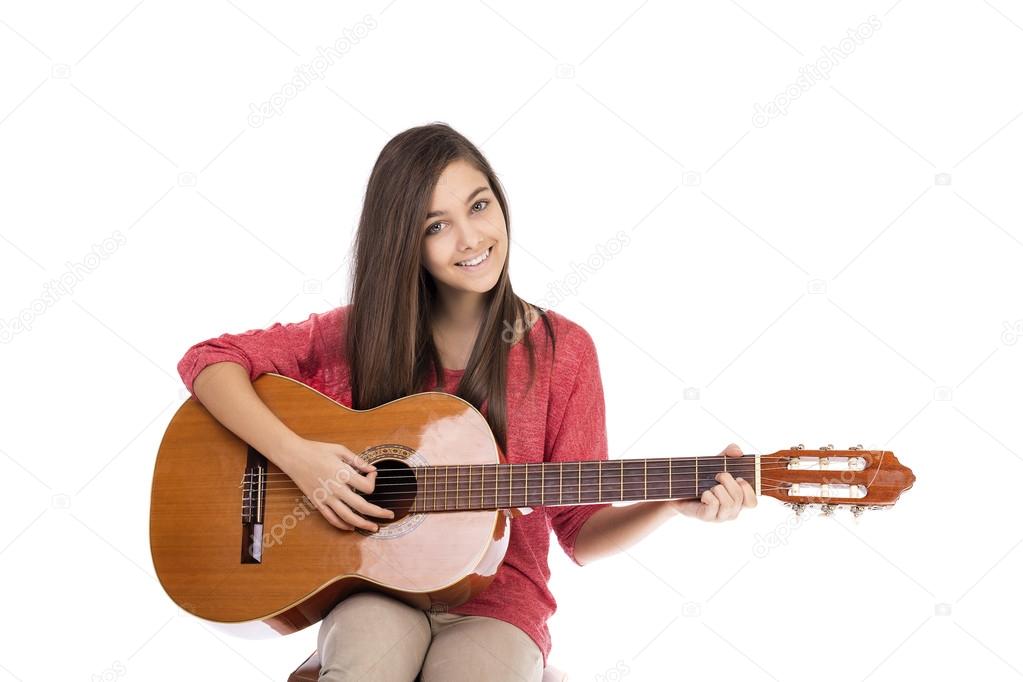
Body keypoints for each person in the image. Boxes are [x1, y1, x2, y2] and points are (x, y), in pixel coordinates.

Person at [176, 122, 757, 682]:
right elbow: (207, 361)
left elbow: (580, 531)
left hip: (500, 603)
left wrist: (669, 505)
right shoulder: (358, 334)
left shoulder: (564, 351)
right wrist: (300, 460)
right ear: (404, 242)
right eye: (436, 225)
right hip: (374, 586)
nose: (472, 238)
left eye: (479, 206)